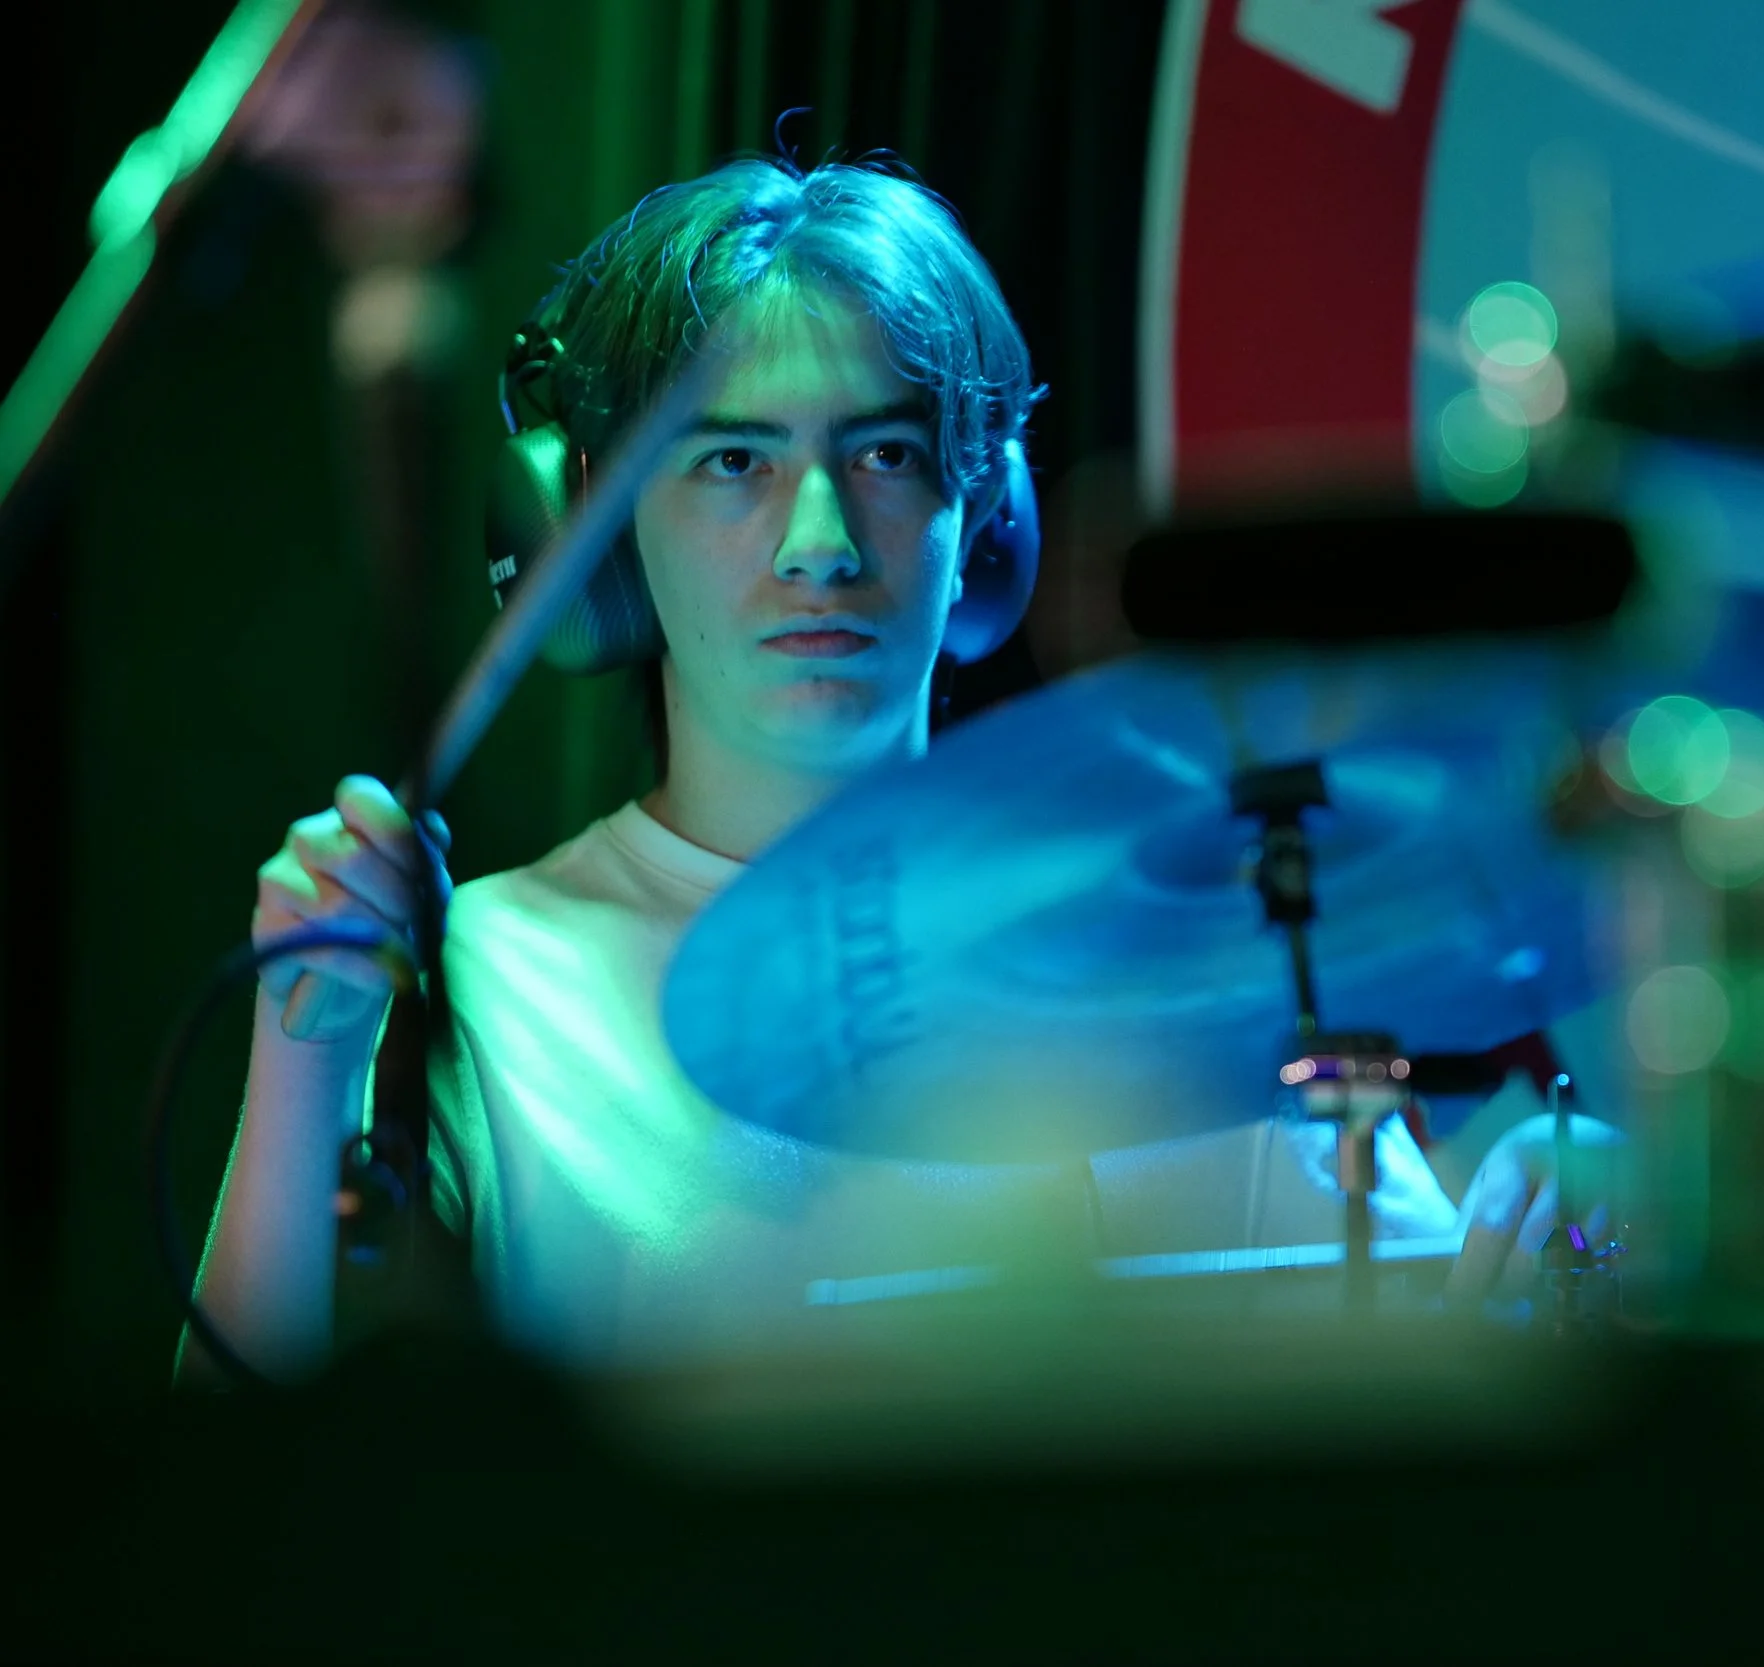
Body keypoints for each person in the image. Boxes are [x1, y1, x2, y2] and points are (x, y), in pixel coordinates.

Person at [188, 158, 1602, 1383]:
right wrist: (309, 1054)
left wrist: (1562, 1207)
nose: (820, 537)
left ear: (984, 527)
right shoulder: (496, 981)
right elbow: (235, 1500)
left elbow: (1432, 1346)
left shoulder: (1177, 947)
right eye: (734, 460)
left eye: (883, 452)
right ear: (600, 550)